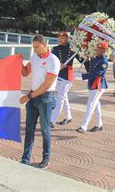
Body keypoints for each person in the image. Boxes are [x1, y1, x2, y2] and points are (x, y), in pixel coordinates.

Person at [20, 35, 60, 168]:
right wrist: (19, 62)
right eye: (33, 47)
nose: (35, 50)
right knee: (29, 129)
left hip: (46, 98)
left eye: (37, 47)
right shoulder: (35, 57)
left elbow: (47, 85)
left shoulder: (53, 60)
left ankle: (46, 158)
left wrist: (28, 97)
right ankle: (25, 159)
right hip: (33, 97)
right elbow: (25, 72)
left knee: (45, 130)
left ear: (45, 45)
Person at [76, 42, 109, 133]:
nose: (97, 50)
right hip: (92, 84)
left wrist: (82, 76)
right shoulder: (94, 58)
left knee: (90, 105)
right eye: (97, 49)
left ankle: (84, 126)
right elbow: (89, 69)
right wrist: (86, 61)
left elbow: (95, 74)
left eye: (100, 49)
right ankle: (99, 124)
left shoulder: (104, 62)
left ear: (104, 51)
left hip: (98, 85)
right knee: (96, 105)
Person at [50, 32, 76, 128]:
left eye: (63, 38)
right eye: (59, 37)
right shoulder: (55, 49)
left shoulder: (73, 49)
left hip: (68, 75)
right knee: (63, 96)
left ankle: (52, 120)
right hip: (58, 74)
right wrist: (59, 64)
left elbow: (82, 59)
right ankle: (68, 116)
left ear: (67, 38)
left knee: (60, 97)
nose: (60, 39)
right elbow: (51, 60)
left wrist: (86, 57)